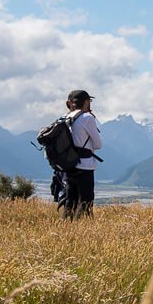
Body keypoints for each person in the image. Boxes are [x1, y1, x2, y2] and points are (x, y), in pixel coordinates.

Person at [63, 89, 102, 219]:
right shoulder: (87, 118)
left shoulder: (66, 117)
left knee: (70, 200)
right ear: (86, 102)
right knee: (86, 199)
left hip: (69, 164)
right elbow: (98, 144)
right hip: (85, 165)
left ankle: (67, 226)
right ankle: (84, 228)